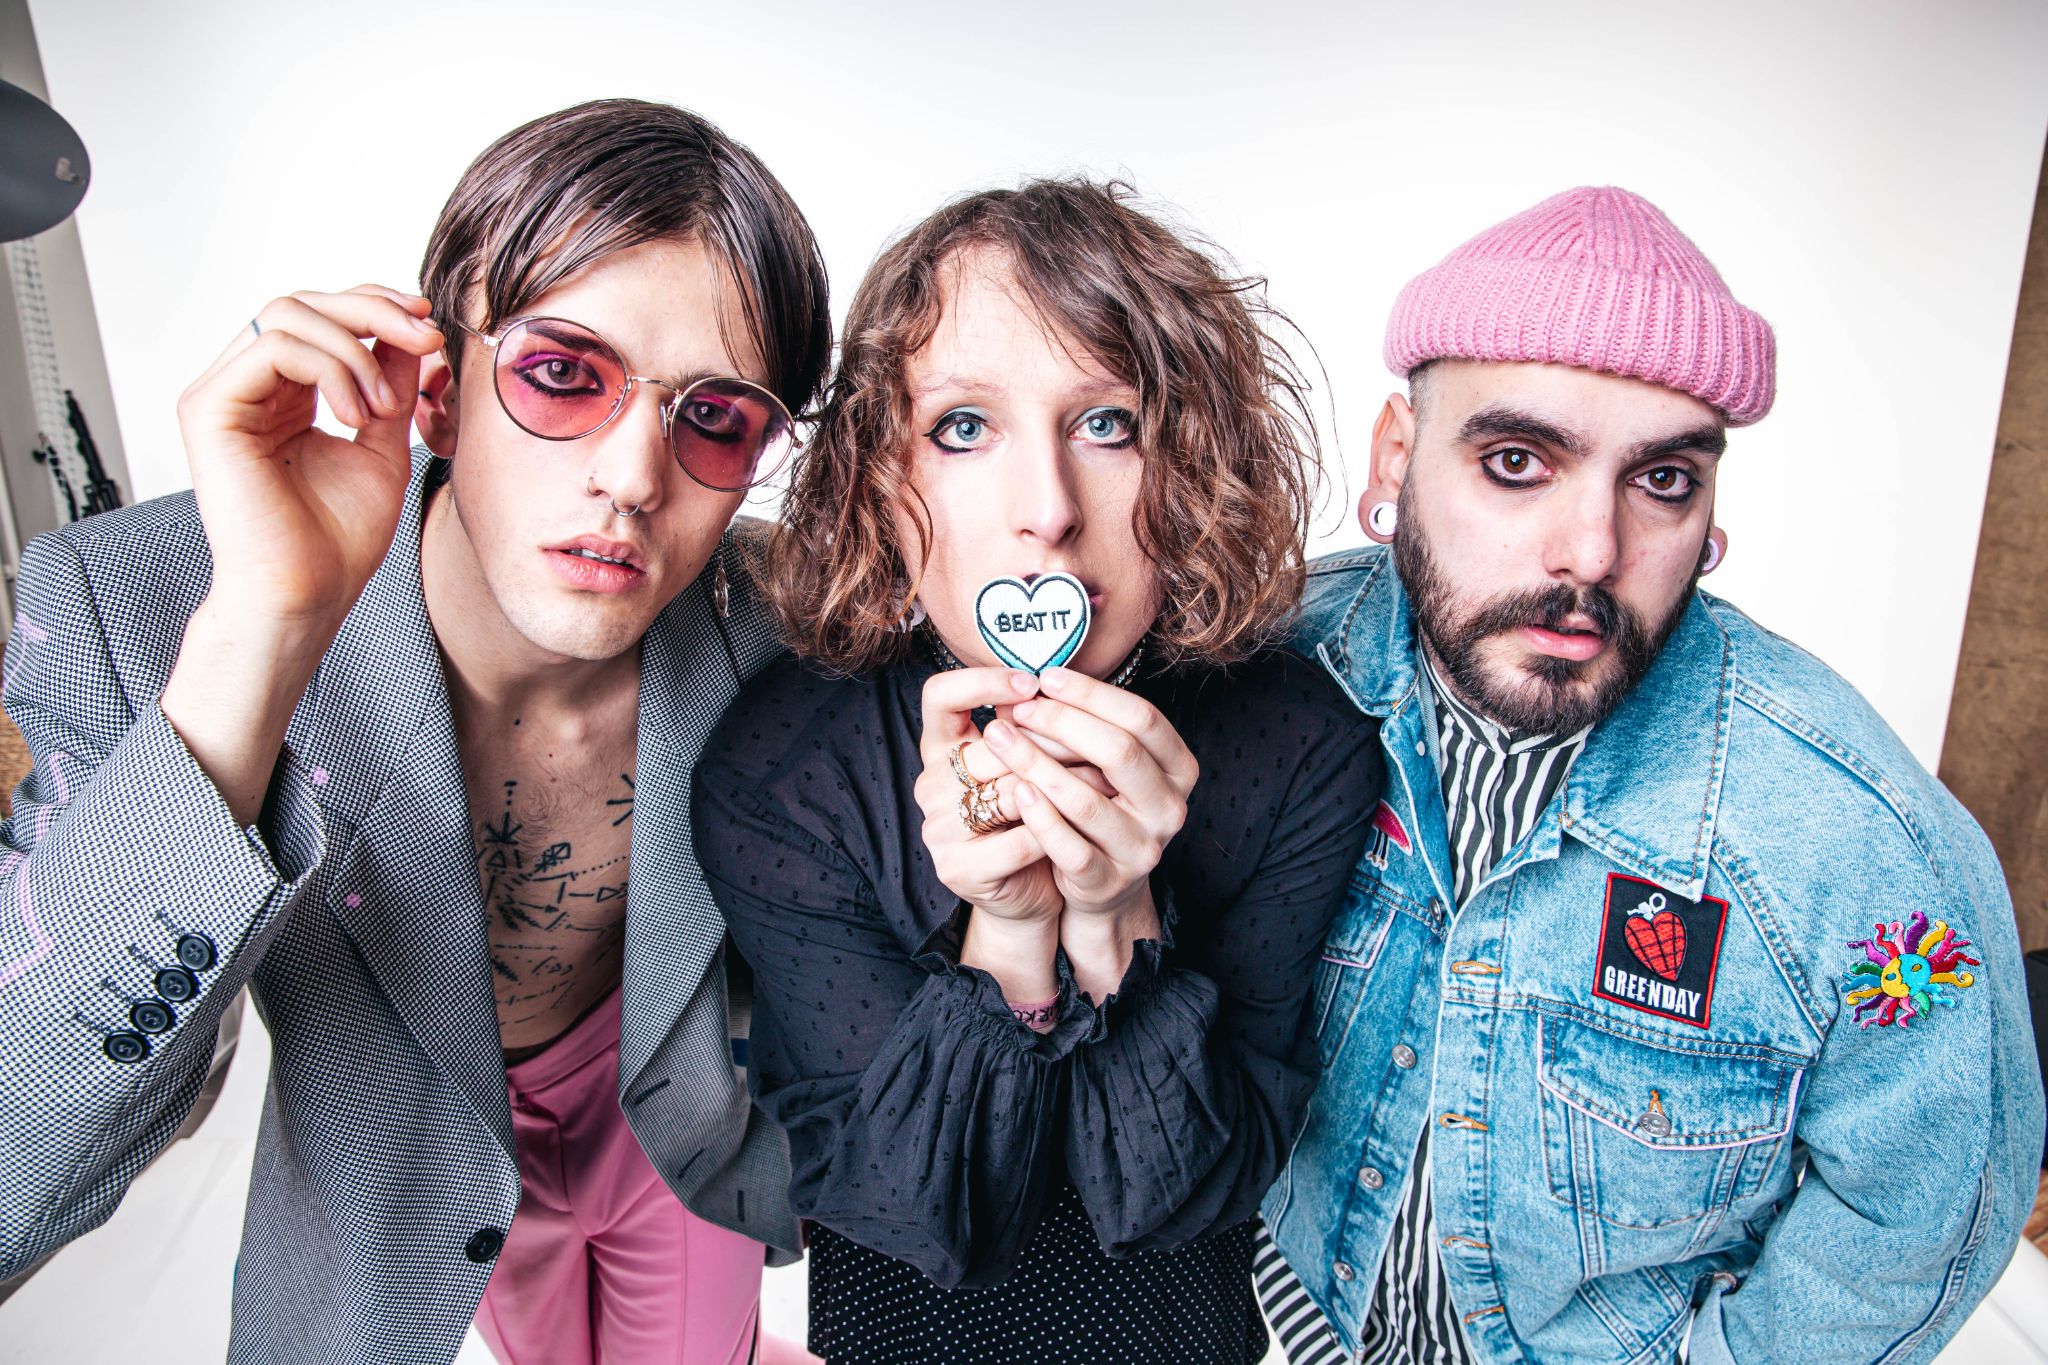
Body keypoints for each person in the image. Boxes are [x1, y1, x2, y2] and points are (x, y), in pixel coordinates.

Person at [0, 100, 831, 1365]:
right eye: (563, 374)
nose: (629, 478)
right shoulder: (142, 606)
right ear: (437, 393)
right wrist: (262, 633)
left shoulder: (784, 620)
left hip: (678, 1130)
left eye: (714, 418)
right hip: (425, 1151)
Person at [1255, 186, 2046, 1364]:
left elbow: (1921, 1215)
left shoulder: (1859, 842)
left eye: (1661, 480)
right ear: (1396, 455)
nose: (1590, 553)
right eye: (1516, 461)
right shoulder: (1253, 677)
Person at [691, 179, 1384, 1363]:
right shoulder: (782, 771)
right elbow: (916, 1220)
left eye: (1107, 424)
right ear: (883, 479)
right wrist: (1008, 934)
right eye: (963, 428)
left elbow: (1183, 1197)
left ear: (1189, 462)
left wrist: (1114, 919)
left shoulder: (1297, 744)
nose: (1048, 512)